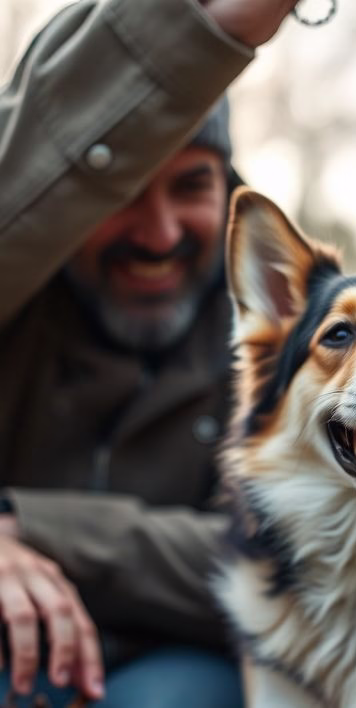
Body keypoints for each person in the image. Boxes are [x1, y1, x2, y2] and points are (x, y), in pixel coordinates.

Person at [0, 0, 299, 705]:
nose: (159, 234)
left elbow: (286, 551)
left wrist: (29, 528)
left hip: (180, 662)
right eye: (125, 193)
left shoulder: (283, 337)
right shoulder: (19, 297)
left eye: (192, 184)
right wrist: (211, 30)